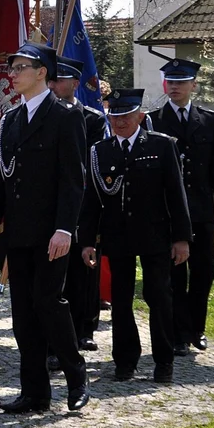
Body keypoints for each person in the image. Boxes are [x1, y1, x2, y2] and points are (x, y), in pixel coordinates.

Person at [0, 42, 90, 414]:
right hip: (20, 233)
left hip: (51, 233)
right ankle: (35, 392)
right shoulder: (11, 119)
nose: (13, 74)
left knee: (48, 302)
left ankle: (76, 376)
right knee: (23, 313)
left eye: (21, 67)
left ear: (42, 71)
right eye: (12, 67)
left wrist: (65, 229)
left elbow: (74, 179)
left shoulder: (65, 117)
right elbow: (0, 178)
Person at [81, 88, 193, 383]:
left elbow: (176, 195)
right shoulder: (100, 151)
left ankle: (163, 361)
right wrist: (87, 241)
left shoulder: (162, 145)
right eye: (114, 115)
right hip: (118, 236)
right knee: (120, 301)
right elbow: (92, 200)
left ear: (140, 116)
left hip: (156, 235)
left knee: (159, 296)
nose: (120, 122)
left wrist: (181, 238)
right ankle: (125, 361)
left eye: (126, 115)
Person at [147, 58, 214, 355]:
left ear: (193, 86)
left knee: (203, 271)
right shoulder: (154, 120)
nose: (175, 87)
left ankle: (197, 328)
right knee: (174, 273)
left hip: (199, 208)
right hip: (169, 211)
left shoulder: (207, 119)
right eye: (170, 82)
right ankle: (178, 333)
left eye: (181, 82)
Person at [50, 56, 109, 352]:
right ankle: (56, 333)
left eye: (60, 79)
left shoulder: (93, 119)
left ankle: (85, 327)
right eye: (52, 79)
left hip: (84, 201)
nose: (54, 84)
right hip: (53, 203)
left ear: (74, 83)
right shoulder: (44, 117)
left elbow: (93, 161)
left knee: (84, 269)